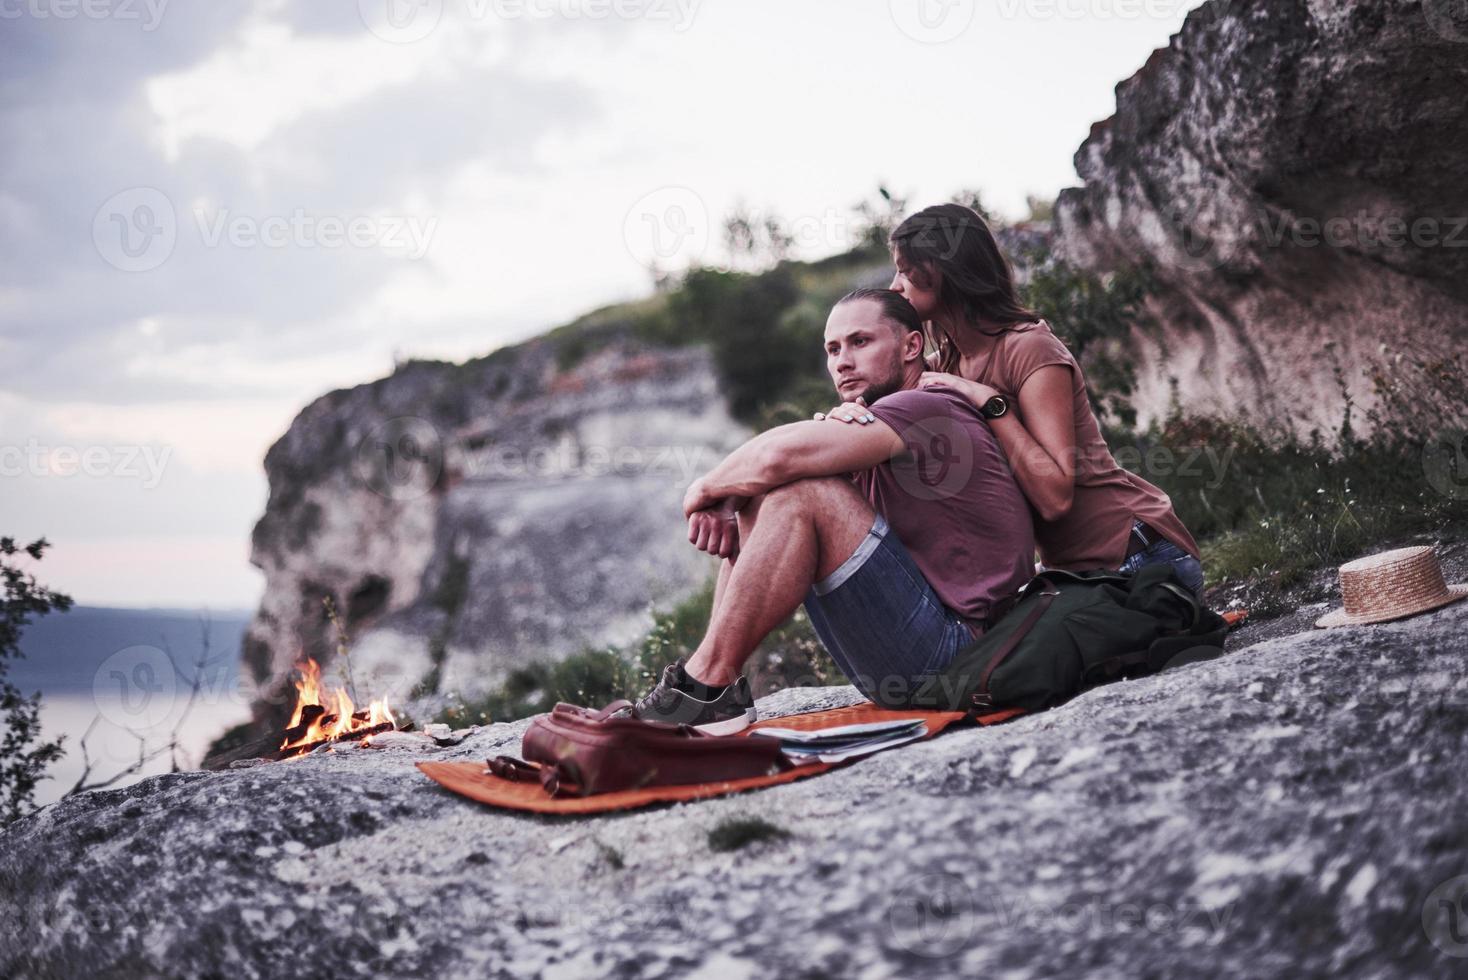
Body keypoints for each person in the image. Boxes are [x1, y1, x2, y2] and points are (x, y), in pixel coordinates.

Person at [628, 288, 1035, 733]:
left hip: (965, 655)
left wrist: (701, 491)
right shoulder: (872, 423)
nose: (842, 361)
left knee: (803, 490)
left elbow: (775, 458)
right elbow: (769, 468)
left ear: (911, 346)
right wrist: (732, 497)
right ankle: (714, 688)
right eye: (833, 349)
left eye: (861, 342)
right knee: (766, 491)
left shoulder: (928, 404)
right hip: (919, 657)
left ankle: (703, 685)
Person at [828, 202, 1205, 596]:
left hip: (1141, 558)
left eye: (905, 271)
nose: (895, 286)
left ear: (945, 271)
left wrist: (993, 404)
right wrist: (848, 416)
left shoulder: (1029, 348)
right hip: (1072, 574)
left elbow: (1056, 497)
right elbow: (891, 411)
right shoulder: (945, 368)